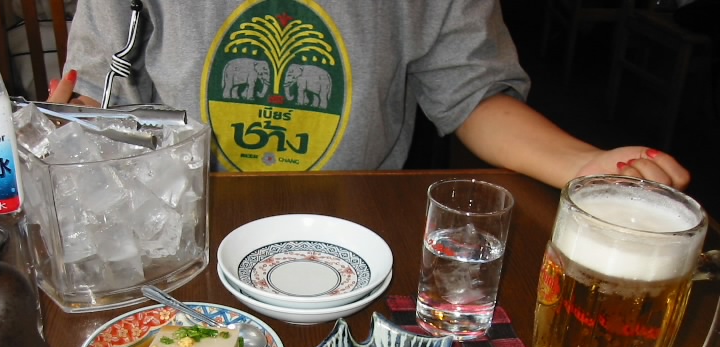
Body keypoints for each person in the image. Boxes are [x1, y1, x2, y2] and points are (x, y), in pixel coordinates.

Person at [48, 0, 690, 190]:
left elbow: (471, 92)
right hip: (189, 222)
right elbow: (98, 106)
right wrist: (71, 126)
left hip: (362, 229)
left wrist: (583, 164)